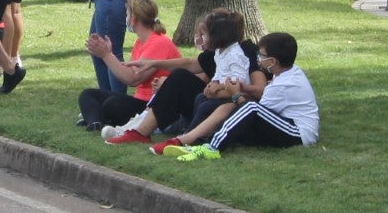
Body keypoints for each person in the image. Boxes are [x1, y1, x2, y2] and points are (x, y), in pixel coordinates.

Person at [101, 8, 266, 144]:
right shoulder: (218, 52)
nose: (200, 39)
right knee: (181, 79)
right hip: (215, 97)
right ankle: (141, 129)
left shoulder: (244, 52)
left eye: (204, 34)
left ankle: (159, 134)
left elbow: (260, 89)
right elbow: (189, 63)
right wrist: (153, 63)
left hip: (232, 104)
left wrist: (224, 89)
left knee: (181, 80)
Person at [149, 32, 318, 156]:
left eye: (261, 55)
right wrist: (243, 88)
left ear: (273, 62)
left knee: (249, 107)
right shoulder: (287, 72)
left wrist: (236, 95)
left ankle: (210, 147)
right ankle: (188, 139)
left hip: (298, 132)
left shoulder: (283, 85)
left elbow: (254, 113)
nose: (258, 58)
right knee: (230, 106)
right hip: (284, 123)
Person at [77, 0, 180, 132]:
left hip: (153, 105)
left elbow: (133, 78)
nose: (126, 18)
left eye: (127, 14)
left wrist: (106, 55)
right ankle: (96, 123)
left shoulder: (159, 42)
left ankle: (101, 119)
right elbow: (128, 73)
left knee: (113, 104)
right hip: (140, 101)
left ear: (134, 18)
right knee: (88, 95)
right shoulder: (140, 42)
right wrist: (109, 54)